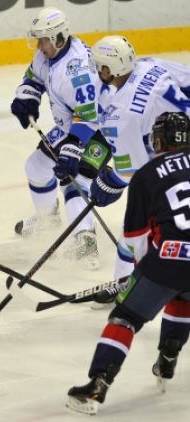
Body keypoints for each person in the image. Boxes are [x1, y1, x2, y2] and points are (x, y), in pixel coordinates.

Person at [66, 112, 190, 415]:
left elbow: (136, 237)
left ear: (158, 140)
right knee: (183, 294)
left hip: (167, 261)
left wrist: (140, 271)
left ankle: (97, 385)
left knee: (125, 317)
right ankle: (169, 354)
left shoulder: (147, 174)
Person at [82, 35, 190, 304]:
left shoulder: (122, 115)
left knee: (135, 236)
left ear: (109, 69)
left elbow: (135, 171)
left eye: (99, 67)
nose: (97, 72)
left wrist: (108, 182)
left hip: (178, 166)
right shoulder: (151, 65)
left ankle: (130, 292)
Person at [10, 7, 110, 269]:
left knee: (73, 179)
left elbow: (90, 118)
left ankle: (85, 238)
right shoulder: (47, 53)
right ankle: (48, 219)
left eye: (42, 40)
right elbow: (33, 77)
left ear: (58, 38)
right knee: (36, 167)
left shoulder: (78, 72)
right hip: (70, 125)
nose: (38, 45)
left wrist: (72, 150)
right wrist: (27, 98)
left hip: (103, 128)